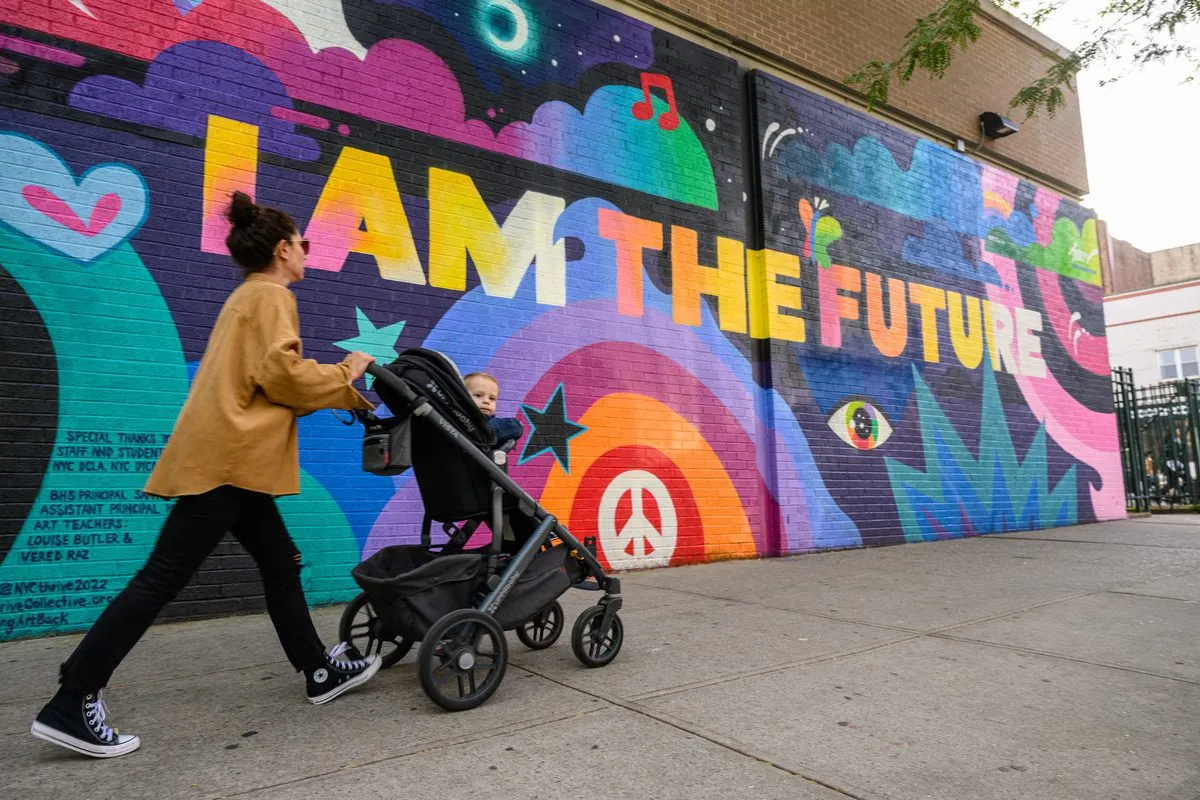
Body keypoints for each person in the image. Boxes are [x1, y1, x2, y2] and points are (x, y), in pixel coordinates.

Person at [31, 192, 382, 759]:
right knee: (161, 579)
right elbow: (284, 378)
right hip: (229, 462)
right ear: (283, 248)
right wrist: (349, 372)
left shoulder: (248, 295)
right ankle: (72, 700)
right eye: (304, 245)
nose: (306, 254)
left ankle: (318, 671)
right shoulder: (270, 295)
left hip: (236, 462)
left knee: (281, 562)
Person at [464, 372, 524, 450]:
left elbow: (515, 428)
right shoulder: (461, 420)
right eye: (478, 395)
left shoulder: (493, 422)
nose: (486, 401)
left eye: (492, 398)